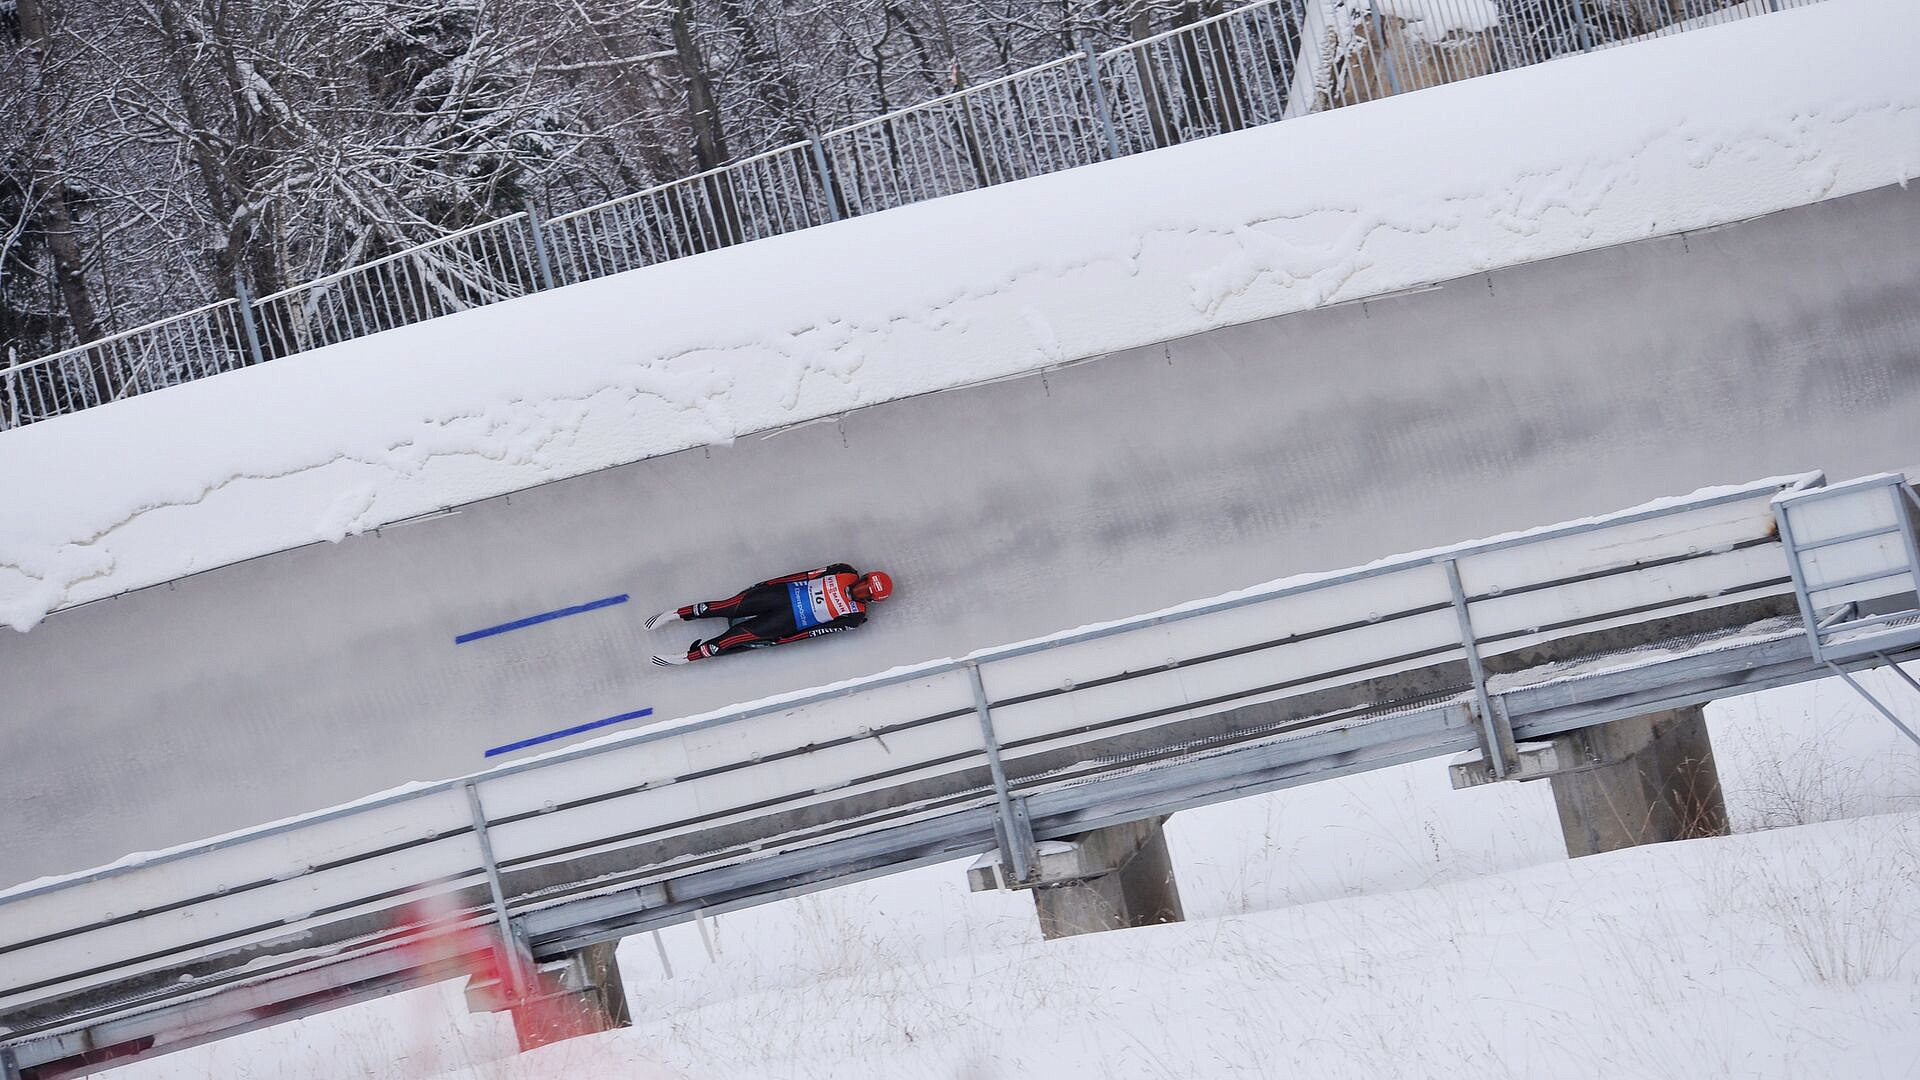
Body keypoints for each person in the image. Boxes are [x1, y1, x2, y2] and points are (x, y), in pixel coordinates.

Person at [646, 563, 894, 665]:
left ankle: (687, 657)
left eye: (865, 593)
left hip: (788, 621)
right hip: (783, 595)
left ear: (870, 600)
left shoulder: (855, 616)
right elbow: (804, 575)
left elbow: (818, 632)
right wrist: (767, 585)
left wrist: (783, 639)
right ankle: (674, 614)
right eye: (863, 584)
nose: (859, 591)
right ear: (861, 578)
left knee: (734, 638)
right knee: (728, 605)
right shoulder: (844, 570)